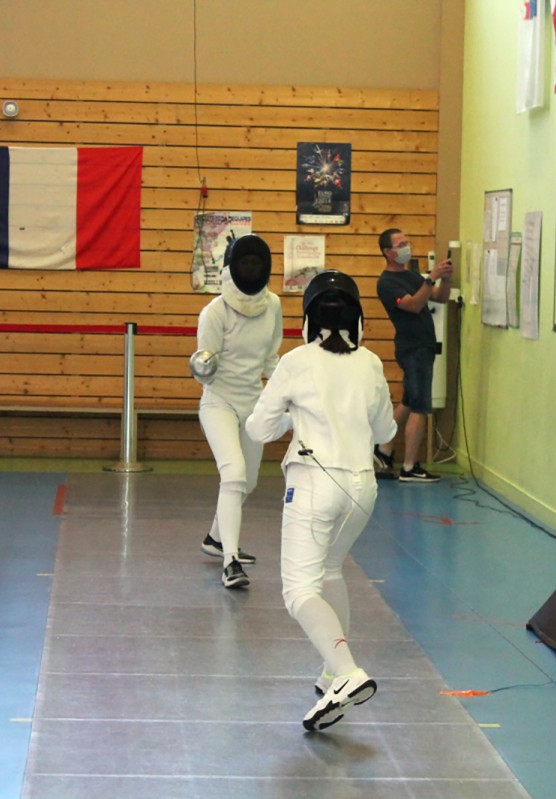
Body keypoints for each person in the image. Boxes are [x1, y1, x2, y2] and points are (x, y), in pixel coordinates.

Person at [246, 270, 397, 732]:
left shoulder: (296, 362)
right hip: (362, 490)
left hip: (315, 485)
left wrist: (291, 412)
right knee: (329, 569)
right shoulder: (370, 363)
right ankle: (333, 673)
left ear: (308, 319)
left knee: (299, 590)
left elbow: (259, 429)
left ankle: (347, 672)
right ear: (358, 319)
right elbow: (385, 432)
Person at [192, 234, 282, 589]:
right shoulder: (214, 312)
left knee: (249, 481)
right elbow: (206, 365)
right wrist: (203, 368)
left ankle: (215, 539)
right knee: (233, 474)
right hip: (219, 402)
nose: (251, 269)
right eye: (244, 263)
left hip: (254, 402)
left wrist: (290, 395)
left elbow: (271, 360)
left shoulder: (273, 305)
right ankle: (230, 562)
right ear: (232, 267)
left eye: (256, 263)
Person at [373, 228, 453, 483]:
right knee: (420, 406)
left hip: (424, 345)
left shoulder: (412, 275)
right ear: (388, 252)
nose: (406, 247)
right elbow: (414, 304)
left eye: (407, 242)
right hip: (412, 348)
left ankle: (383, 448)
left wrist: (445, 278)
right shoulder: (387, 282)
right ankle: (409, 466)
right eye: (400, 244)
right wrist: (431, 278)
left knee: (409, 400)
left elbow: (439, 297)